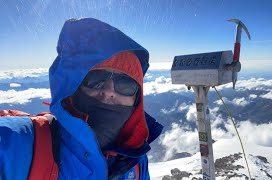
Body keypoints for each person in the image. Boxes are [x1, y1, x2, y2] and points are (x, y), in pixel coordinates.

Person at [0, 18, 163, 179]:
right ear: (73, 88)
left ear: (136, 99)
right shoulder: (17, 143)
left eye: (125, 84)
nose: (109, 91)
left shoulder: (135, 161)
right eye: (95, 78)